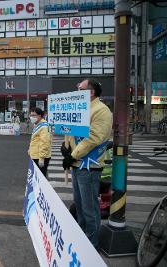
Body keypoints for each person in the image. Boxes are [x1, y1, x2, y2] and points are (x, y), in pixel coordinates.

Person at [61, 78, 112, 248]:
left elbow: (94, 138)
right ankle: (82, 237)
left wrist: (73, 155)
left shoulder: (101, 111)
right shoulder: (80, 107)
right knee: (80, 205)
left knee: (90, 209)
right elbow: (71, 129)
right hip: (77, 164)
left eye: (80, 87)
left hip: (89, 166)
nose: (76, 88)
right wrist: (65, 148)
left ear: (91, 92)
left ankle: (91, 244)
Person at [28, 107, 52, 178]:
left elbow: (45, 143)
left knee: (41, 179)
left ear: (40, 116)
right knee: (36, 178)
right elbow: (35, 140)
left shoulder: (44, 126)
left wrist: (42, 158)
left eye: (34, 115)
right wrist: (30, 149)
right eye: (31, 115)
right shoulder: (37, 125)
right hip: (35, 155)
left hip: (40, 157)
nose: (31, 117)